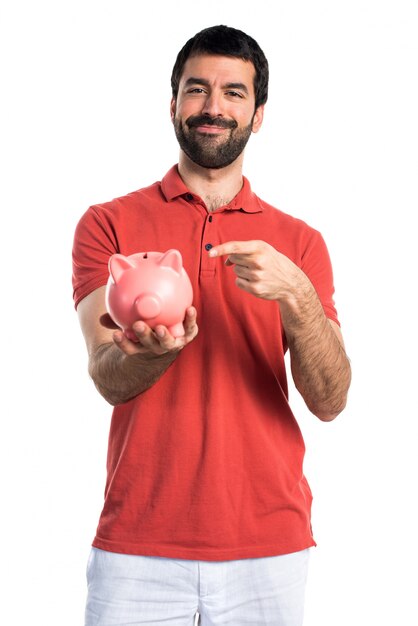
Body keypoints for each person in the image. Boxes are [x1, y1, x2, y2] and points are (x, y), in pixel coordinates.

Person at [72, 24, 351, 626]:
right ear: (173, 103)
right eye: (197, 90)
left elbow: (330, 401)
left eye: (233, 93)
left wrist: (298, 296)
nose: (213, 107)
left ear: (258, 114)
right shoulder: (106, 225)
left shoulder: (300, 244)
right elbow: (106, 374)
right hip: (138, 544)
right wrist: (154, 352)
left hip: (268, 546)